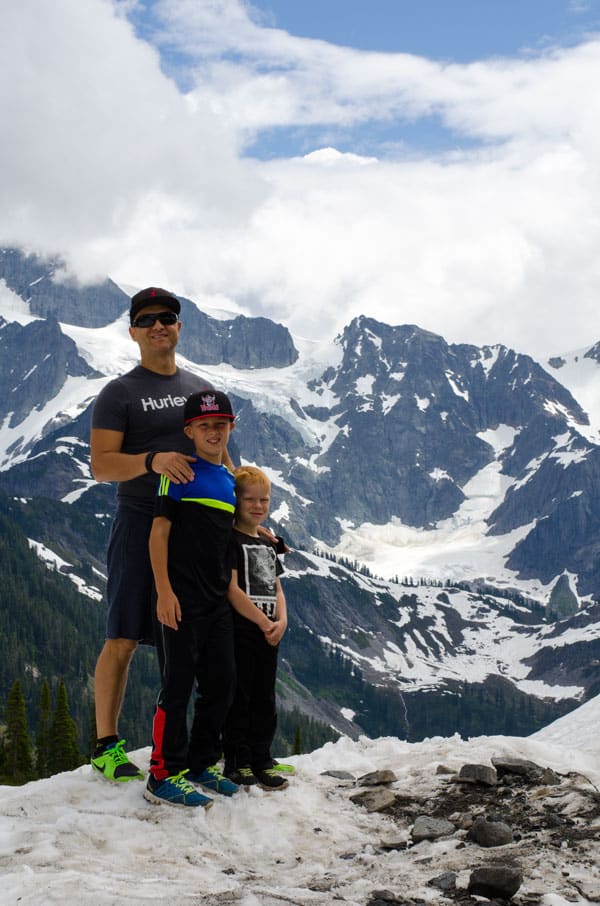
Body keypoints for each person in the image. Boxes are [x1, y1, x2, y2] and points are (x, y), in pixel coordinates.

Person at [90, 286, 230, 783]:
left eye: (167, 317)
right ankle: (106, 746)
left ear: (178, 326)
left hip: (197, 530)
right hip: (139, 520)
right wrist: (152, 460)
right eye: (147, 320)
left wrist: (241, 510)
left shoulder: (198, 387)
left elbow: (219, 453)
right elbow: (101, 465)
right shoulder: (119, 393)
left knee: (196, 641)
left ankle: (193, 753)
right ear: (133, 332)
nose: (158, 326)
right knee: (124, 635)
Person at [144, 390, 240, 808]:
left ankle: (201, 765)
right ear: (190, 431)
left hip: (216, 600)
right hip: (180, 598)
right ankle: (162, 774)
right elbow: (159, 532)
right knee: (177, 686)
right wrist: (164, 592)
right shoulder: (179, 473)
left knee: (221, 683)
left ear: (231, 428)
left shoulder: (230, 481)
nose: (213, 431)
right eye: (204, 425)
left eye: (220, 424)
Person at [222, 465, 289, 791]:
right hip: (242, 630)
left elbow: (277, 588)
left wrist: (282, 621)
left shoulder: (267, 545)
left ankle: (262, 757)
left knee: (265, 697)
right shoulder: (230, 540)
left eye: (264, 500)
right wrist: (264, 621)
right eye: (250, 499)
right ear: (235, 501)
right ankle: (237, 760)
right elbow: (231, 589)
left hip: (269, 632)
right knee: (241, 695)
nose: (258, 506)